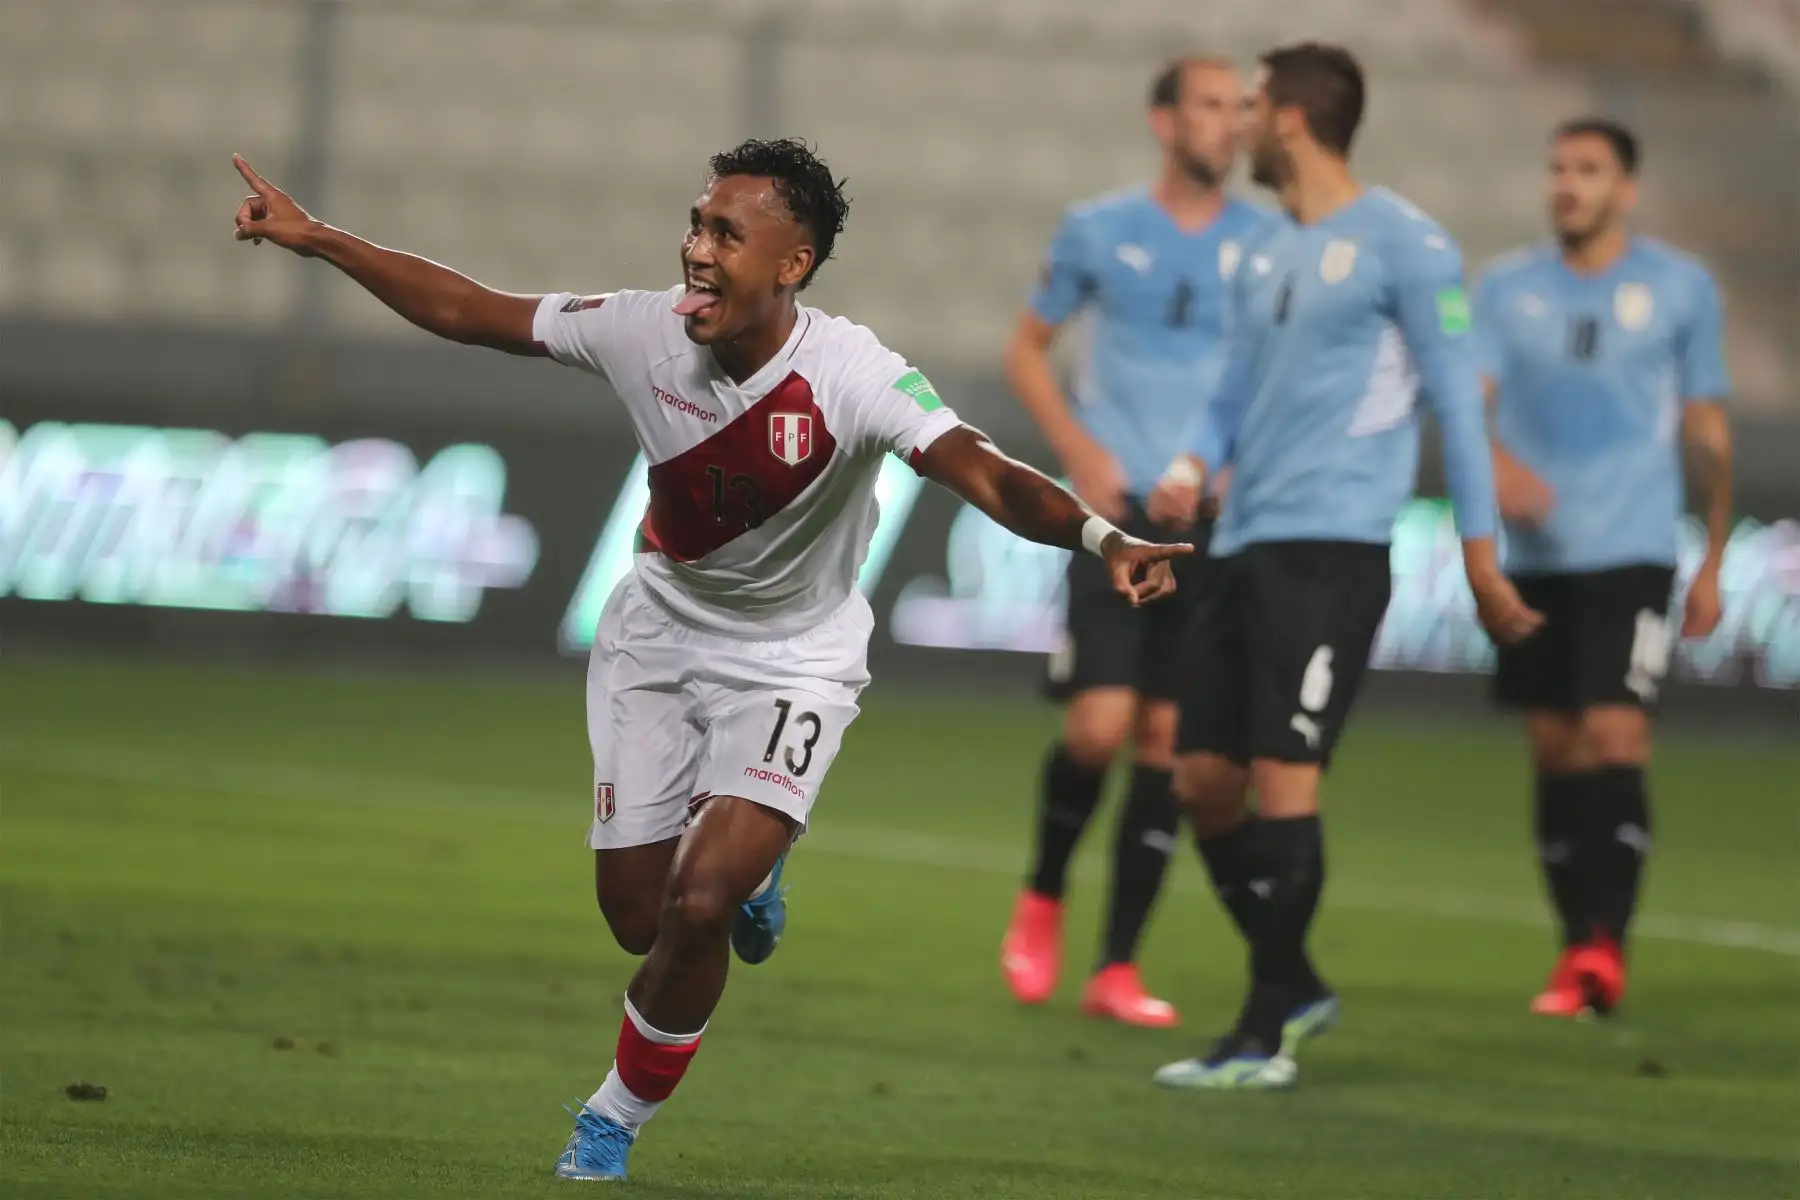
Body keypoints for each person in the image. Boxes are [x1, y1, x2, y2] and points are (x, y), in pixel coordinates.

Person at [229, 139, 1193, 1181]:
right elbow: (473, 311)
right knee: (636, 916)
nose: (697, 250)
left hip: (794, 661)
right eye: (696, 225)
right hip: (657, 639)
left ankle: (611, 1118)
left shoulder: (852, 374)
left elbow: (986, 473)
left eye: (727, 234)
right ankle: (750, 864)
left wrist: (1102, 538)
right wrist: (319, 239)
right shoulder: (644, 330)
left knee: (701, 903)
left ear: (793, 264)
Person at [1145, 43, 1543, 1090]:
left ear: (1290, 118)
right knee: (1202, 783)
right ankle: (1298, 981)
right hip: (1243, 543)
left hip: (1334, 552)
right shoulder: (1264, 250)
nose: (1237, 123)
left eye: (1252, 104)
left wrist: (1482, 561)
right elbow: (1229, 392)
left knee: (1285, 776)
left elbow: (1458, 406)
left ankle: (1263, 1034)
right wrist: (1189, 463)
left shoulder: (1409, 244)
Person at [999, 55, 1274, 1028]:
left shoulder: (1269, 241)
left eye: (1241, 108)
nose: (1231, 124)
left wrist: (1239, 464)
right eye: (1211, 105)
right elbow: (1026, 348)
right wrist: (1079, 450)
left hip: (1209, 522)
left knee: (1166, 739)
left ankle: (1116, 965)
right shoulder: (1099, 227)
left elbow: (1275, 374)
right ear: (1165, 121)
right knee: (1097, 727)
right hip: (1115, 517)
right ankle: (1043, 891)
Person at [1472, 118, 1731, 1018]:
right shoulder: (1505, 288)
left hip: (1634, 550)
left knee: (1616, 736)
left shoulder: (1681, 288)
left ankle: (1603, 950)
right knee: (1555, 751)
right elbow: (1468, 401)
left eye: (1587, 170)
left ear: (1627, 188)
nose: (1567, 184)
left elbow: (1707, 430)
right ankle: (1574, 945)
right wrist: (1496, 467)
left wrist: (1713, 559)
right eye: (1557, 168)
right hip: (1536, 558)